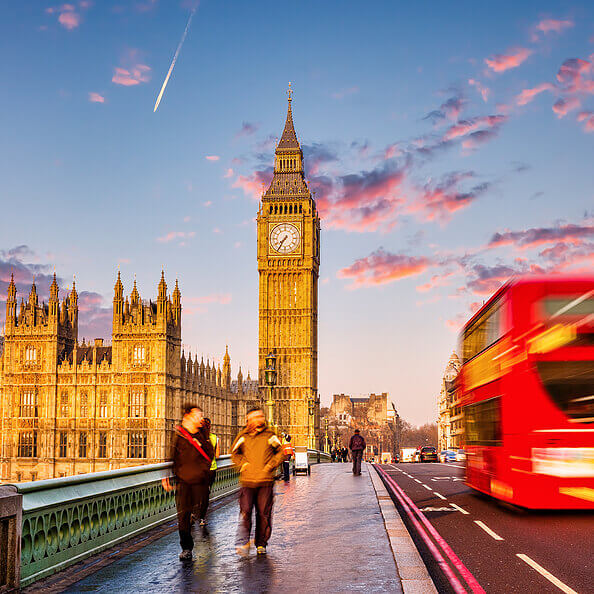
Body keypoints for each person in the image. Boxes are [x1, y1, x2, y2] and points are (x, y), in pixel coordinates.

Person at [163, 404, 215, 561]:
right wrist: (168, 475)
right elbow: (173, 456)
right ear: (188, 416)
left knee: (199, 509)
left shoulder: (203, 434)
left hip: (200, 480)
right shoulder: (179, 434)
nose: (200, 418)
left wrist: (203, 471)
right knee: (183, 516)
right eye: (197, 415)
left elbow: (210, 453)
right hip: (183, 482)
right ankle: (186, 547)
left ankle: (199, 528)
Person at [231, 407, 284, 556]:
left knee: (263, 514)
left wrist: (271, 465)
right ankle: (244, 541)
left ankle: (261, 543)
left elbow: (280, 452)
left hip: (265, 480)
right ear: (249, 420)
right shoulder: (243, 436)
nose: (259, 419)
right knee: (246, 511)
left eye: (261, 416)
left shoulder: (270, 435)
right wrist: (243, 464)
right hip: (247, 481)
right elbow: (234, 453)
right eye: (255, 417)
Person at [198, 417, 220, 526]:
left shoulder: (197, 438)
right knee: (206, 493)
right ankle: (202, 518)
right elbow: (217, 455)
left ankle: (194, 512)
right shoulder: (215, 438)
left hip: (199, 469)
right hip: (212, 469)